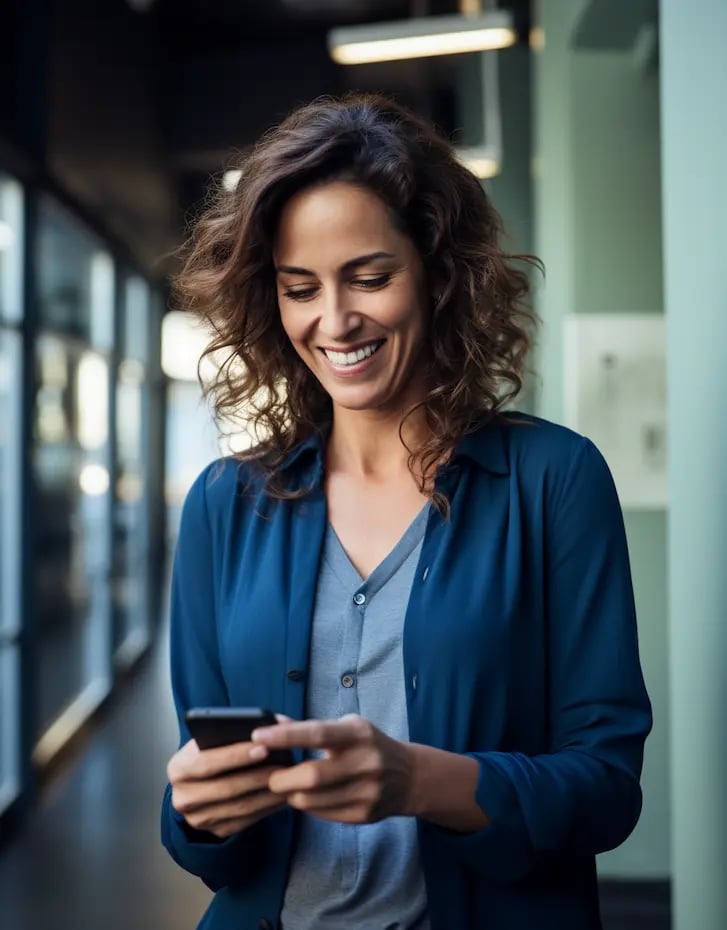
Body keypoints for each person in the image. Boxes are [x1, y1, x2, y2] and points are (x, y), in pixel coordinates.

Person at [161, 92, 652, 930]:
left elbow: (604, 791)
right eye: (299, 287)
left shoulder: (554, 479)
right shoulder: (224, 504)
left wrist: (419, 780)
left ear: (435, 271)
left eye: (369, 276)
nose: (334, 320)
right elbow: (207, 841)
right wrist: (195, 812)